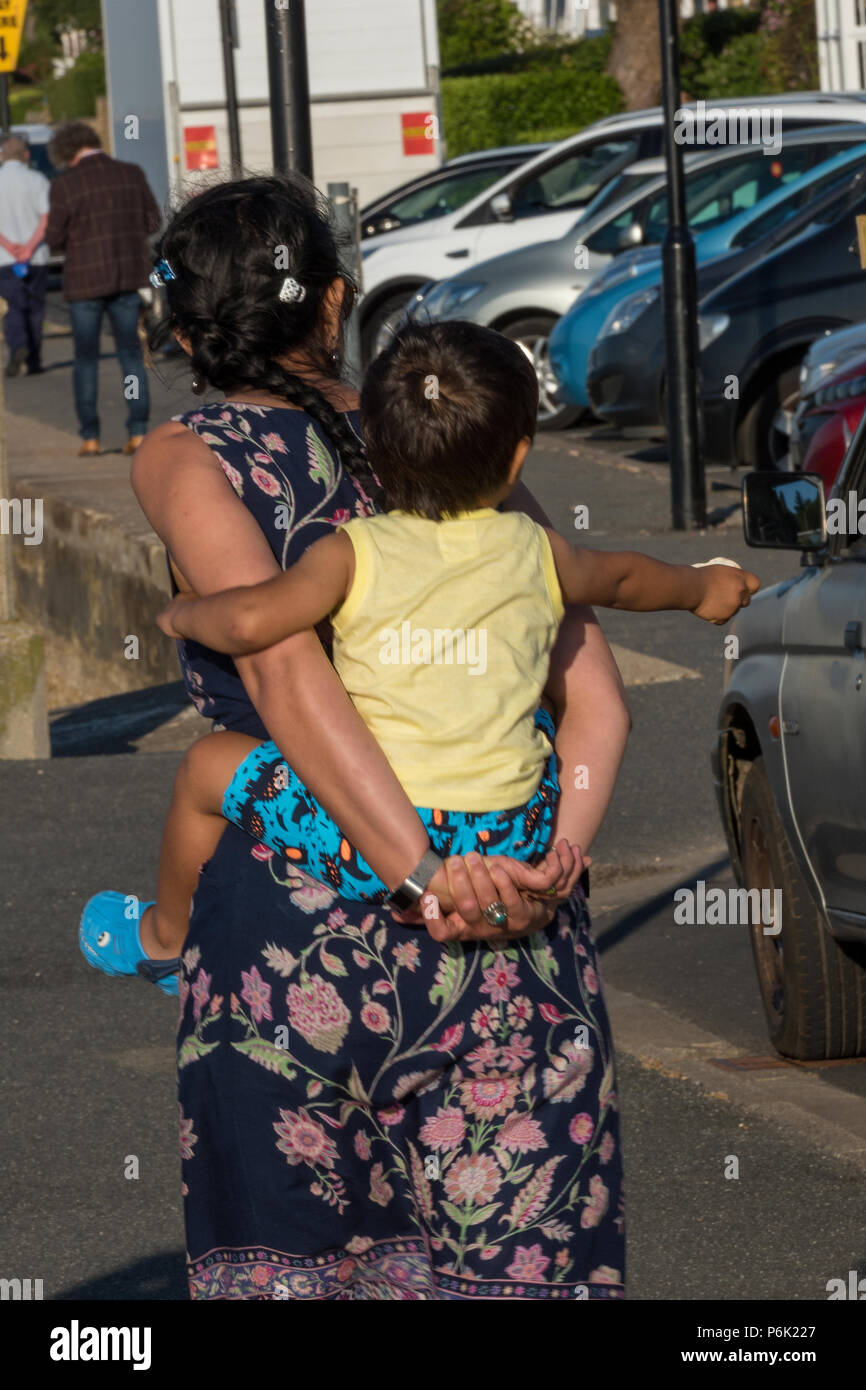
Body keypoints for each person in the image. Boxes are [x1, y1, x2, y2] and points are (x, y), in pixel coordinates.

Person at [80, 172, 642, 1301]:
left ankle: (154, 934)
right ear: (331, 302)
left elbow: (286, 678)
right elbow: (587, 688)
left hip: (304, 929)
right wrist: (530, 865)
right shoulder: (448, 426)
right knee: (521, 1253)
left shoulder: (186, 455)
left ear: (185, 328)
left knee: (301, 1265)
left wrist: (419, 872)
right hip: (512, 897)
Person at [81, 319, 757, 980]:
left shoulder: (352, 553)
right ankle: (535, 875)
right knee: (538, 724)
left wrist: (184, 613)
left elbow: (254, 619)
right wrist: (704, 586)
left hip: (377, 844)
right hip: (516, 833)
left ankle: (165, 939)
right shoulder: (537, 548)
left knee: (205, 768)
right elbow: (628, 579)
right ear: (518, 456)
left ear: (373, 442)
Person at [45, 121, 162, 457]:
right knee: (130, 356)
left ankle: (91, 436)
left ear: (66, 152)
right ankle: (138, 430)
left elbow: (53, 239)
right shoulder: (131, 173)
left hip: (84, 282)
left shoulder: (65, 184)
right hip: (127, 277)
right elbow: (153, 222)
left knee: (86, 360)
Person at [0, 134, 51, 377]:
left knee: (14, 306)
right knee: (36, 308)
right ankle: (34, 360)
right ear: (26, 155)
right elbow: (46, 218)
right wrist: (29, 247)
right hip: (37, 256)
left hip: (5, 258)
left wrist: (10, 246)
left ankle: (18, 345)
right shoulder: (37, 179)